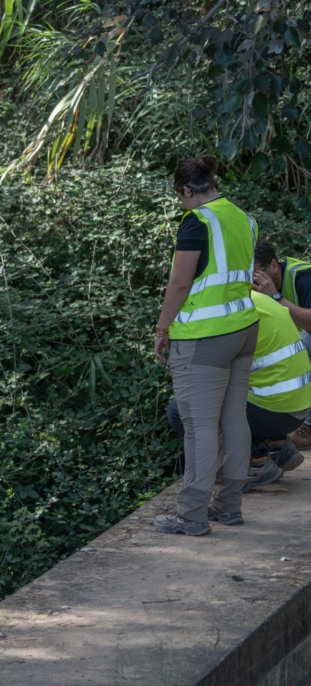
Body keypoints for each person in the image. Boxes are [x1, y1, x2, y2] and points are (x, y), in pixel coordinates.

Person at [154, 155, 258, 536]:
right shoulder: (243, 218)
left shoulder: (196, 221)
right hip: (244, 328)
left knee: (199, 427)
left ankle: (192, 514)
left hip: (205, 337)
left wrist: (162, 328)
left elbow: (180, 283)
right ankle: (229, 506)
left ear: (186, 191)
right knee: (234, 418)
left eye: (180, 198)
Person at [167, 291, 311, 494]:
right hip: (298, 406)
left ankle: (254, 464)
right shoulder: (255, 298)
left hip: (277, 410)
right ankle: (275, 445)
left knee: (180, 409)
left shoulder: (224, 316)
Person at [252, 238, 311, 450]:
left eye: (257, 275)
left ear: (274, 266)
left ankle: (309, 426)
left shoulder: (302, 277)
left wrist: (275, 297)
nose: (253, 283)